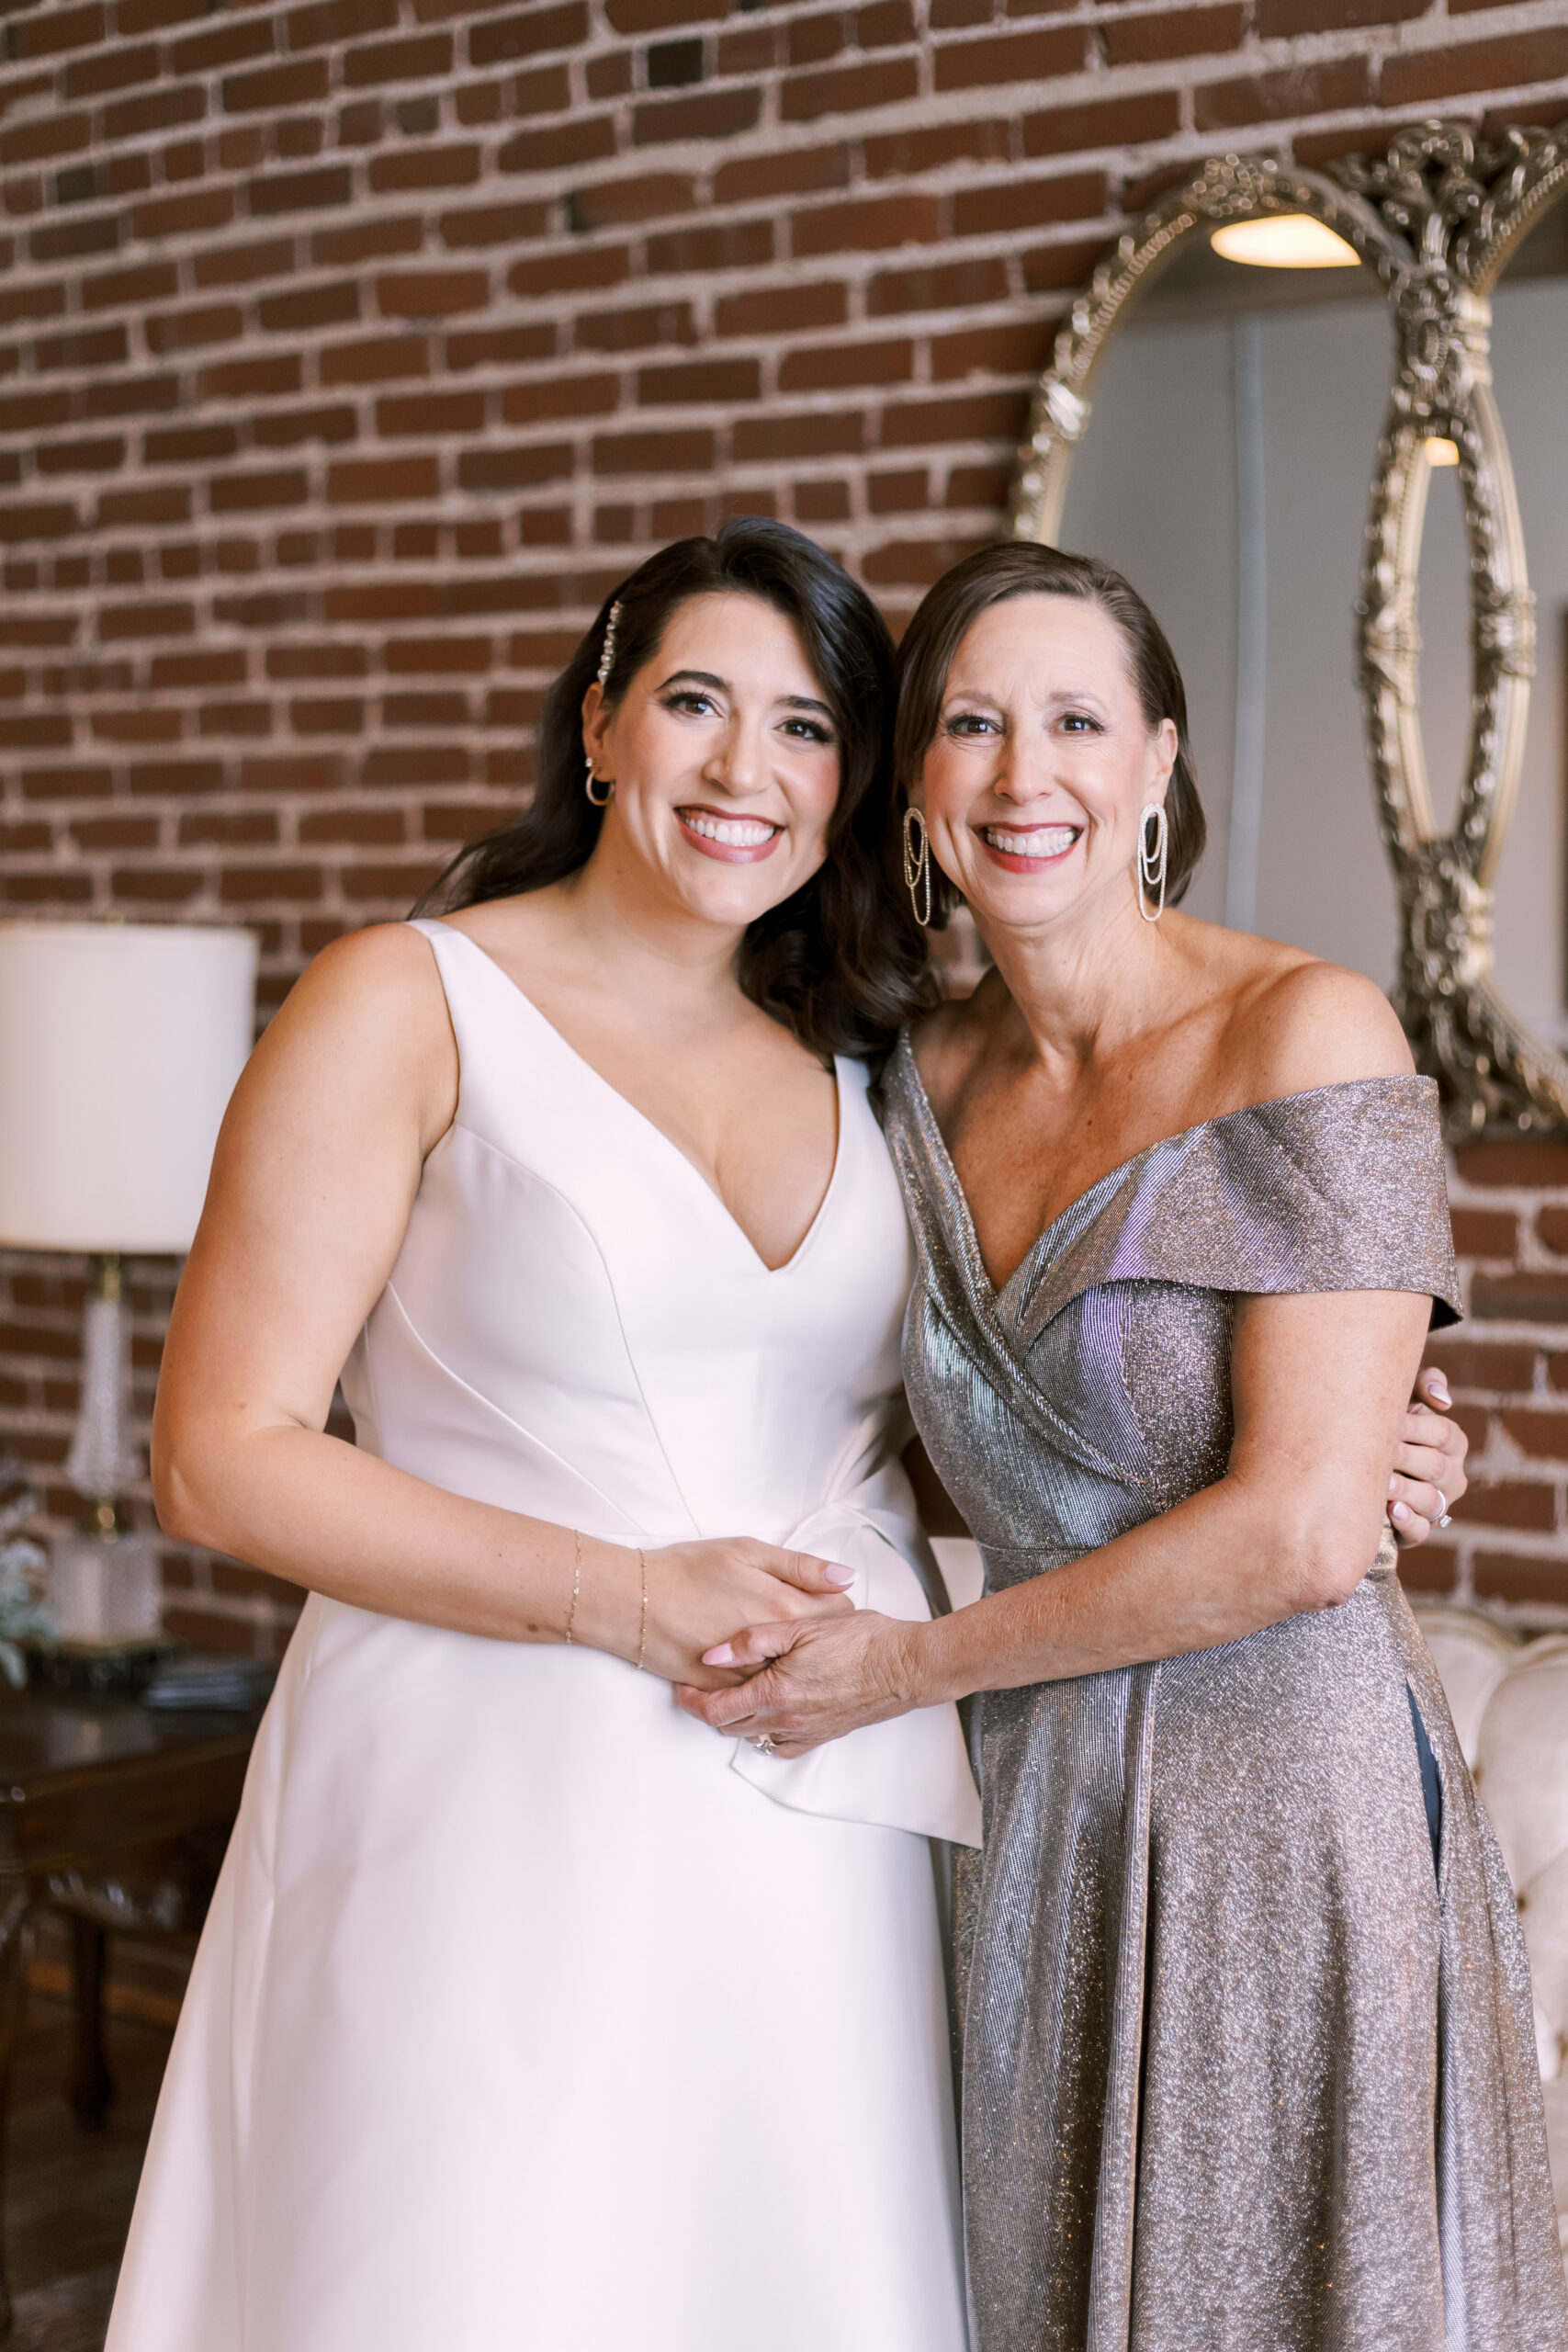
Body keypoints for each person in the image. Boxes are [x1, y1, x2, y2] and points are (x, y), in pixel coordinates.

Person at [106, 520, 982, 2352]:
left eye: (808, 727)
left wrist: (1369, 1426)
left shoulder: (863, 1055)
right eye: (694, 702)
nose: (749, 767)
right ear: (599, 726)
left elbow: (989, 1395)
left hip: (804, 1816)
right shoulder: (405, 997)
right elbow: (217, 1450)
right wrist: (621, 1594)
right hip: (476, 1781)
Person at [681, 543, 1560, 2352]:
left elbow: (1307, 1530)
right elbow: (856, 1414)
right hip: (1022, 1813)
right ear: (912, 782)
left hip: (1276, 1817)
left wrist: (905, 1662)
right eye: (973, 725)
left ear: (1155, 762)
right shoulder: (903, 1079)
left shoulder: (1303, 1028)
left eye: (1074, 720)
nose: (1024, 775)